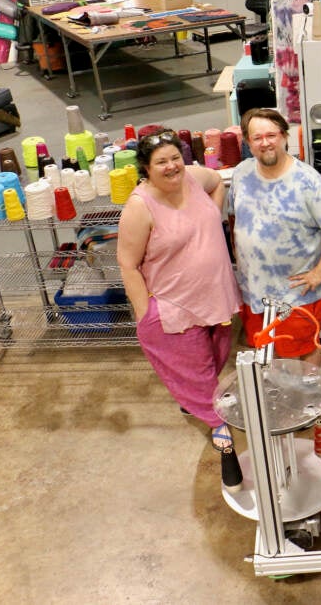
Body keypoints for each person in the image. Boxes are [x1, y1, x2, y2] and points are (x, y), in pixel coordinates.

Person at [117, 130, 241, 451]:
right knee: (194, 365)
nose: (172, 167)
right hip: (175, 303)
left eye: (175, 159)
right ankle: (215, 420)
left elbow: (216, 179)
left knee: (216, 355)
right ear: (146, 168)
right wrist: (146, 313)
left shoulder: (194, 179)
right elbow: (128, 265)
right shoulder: (139, 207)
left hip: (215, 292)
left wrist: (214, 216)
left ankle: (196, 400)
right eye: (161, 162)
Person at [229, 108, 321, 365]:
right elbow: (234, 219)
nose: (265, 143)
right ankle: (278, 400)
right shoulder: (241, 174)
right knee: (266, 350)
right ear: (248, 143)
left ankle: (310, 402)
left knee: (303, 354)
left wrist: (319, 273)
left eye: (271, 135)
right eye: (257, 137)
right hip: (254, 291)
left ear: (284, 136)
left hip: (295, 295)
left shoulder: (306, 181)